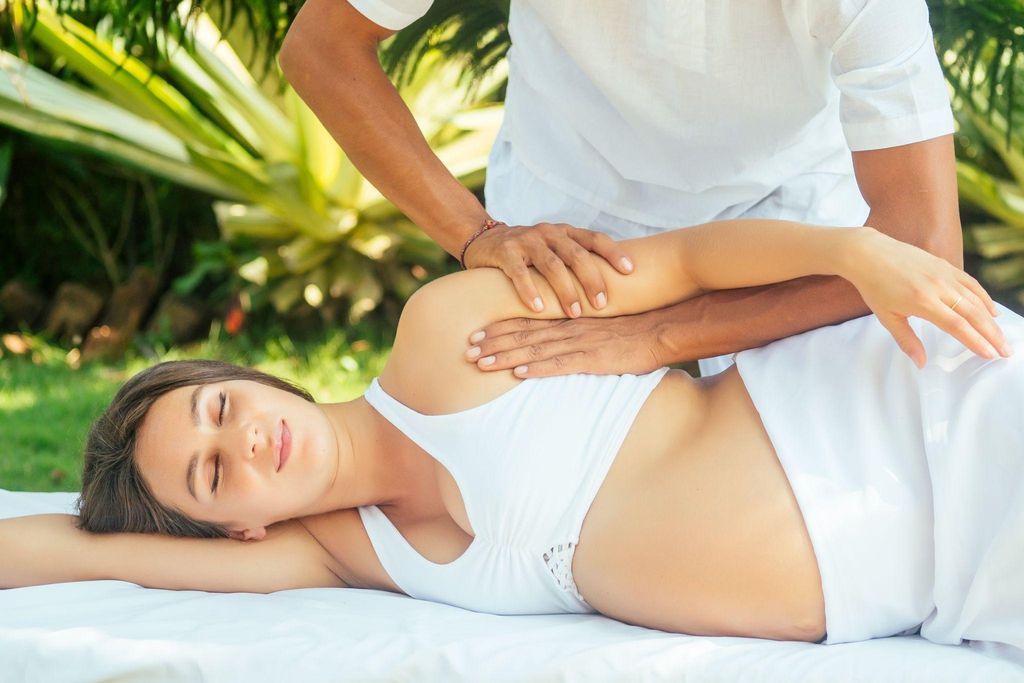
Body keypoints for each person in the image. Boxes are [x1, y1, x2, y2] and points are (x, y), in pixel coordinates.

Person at [1, 217, 1021, 657]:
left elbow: (690, 260)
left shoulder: (445, 332)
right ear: (236, 531)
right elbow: (64, 546)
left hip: (922, 427)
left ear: (248, 378)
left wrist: (855, 253)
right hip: (937, 583)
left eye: (221, 409)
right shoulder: (350, 558)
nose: (245, 440)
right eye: (211, 475)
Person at [279, 0, 963, 379]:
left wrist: (659, 335)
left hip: (791, 218)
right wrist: (479, 235)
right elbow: (322, 46)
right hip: (569, 223)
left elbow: (923, 248)